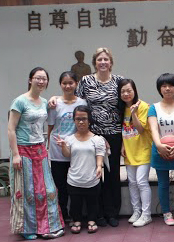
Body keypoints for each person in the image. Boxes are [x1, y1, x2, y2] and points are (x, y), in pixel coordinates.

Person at [52, 47, 124, 227]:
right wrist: (55, 98)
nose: (103, 62)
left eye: (106, 59)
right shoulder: (86, 80)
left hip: (114, 132)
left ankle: (112, 211)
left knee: (112, 173)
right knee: (96, 174)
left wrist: (125, 136)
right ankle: (97, 213)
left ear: (111, 62)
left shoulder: (119, 81)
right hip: (93, 134)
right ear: (94, 62)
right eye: (99, 59)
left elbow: (125, 106)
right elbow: (75, 100)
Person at [8, 67, 65, 240]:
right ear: (30, 79)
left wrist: (55, 97)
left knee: (46, 190)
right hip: (23, 150)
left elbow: (46, 121)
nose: (41, 81)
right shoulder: (19, 102)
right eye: (38, 78)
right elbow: (11, 129)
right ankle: (27, 228)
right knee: (27, 191)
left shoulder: (44, 101)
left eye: (44, 79)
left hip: (40, 150)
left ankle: (49, 226)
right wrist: (16, 154)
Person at [148, 73, 174, 226]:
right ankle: (166, 213)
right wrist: (159, 145)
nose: (167, 89)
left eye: (171, 85)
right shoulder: (153, 108)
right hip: (160, 149)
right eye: (164, 86)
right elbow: (153, 129)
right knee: (163, 183)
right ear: (159, 89)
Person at [55, 105, 105, 234]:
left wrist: (99, 167)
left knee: (93, 202)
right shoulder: (69, 139)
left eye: (84, 119)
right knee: (75, 203)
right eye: (78, 119)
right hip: (74, 178)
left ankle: (91, 220)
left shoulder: (97, 139)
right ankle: (76, 220)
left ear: (89, 120)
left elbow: (100, 154)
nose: (81, 122)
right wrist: (63, 146)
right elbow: (67, 155)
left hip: (92, 177)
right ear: (74, 121)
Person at [47, 71, 87, 223]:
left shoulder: (82, 103)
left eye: (71, 83)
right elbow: (50, 127)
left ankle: (77, 214)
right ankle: (63, 214)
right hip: (57, 151)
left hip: (76, 150)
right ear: (60, 85)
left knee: (76, 185)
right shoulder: (54, 104)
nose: (68, 86)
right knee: (61, 186)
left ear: (76, 84)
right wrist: (48, 146)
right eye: (64, 83)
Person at [118, 79, 153, 227]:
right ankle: (136, 211)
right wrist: (122, 146)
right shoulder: (120, 108)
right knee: (132, 182)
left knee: (141, 182)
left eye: (129, 90)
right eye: (123, 91)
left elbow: (140, 129)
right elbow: (120, 129)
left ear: (134, 91)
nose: (126, 94)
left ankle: (146, 214)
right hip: (129, 151)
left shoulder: (143, 106)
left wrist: (134, 113)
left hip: (143, 149)